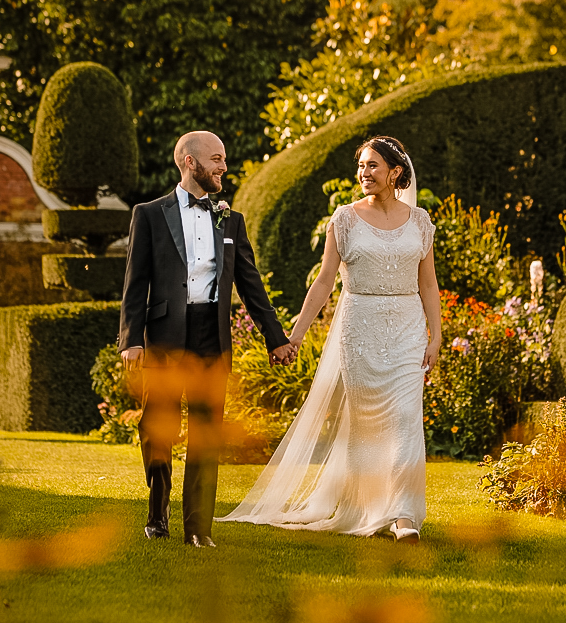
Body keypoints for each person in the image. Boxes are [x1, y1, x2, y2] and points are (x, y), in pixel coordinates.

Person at [218, 135, 442, 543]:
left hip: (408, 329)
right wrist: (295, 336)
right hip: (360, 328)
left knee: (406, 419)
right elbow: (323, 283)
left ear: (395, 173)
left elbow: (428, 284)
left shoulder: (421, 222)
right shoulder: (343, 219)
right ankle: (370, 507)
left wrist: (436, 334)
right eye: (360, 166)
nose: (363, 173)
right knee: (369, 424)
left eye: (372, 165)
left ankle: (404, 514)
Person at [118, 130, 296, 548]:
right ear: (189, 162)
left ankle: (199, 529)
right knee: (156, 429)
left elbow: (251, 284)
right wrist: (131, 338)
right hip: (164, 335)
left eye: (224, 160)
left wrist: (277, 339)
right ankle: (157, 510)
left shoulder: (230, 219)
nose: (223, 167)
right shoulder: (149, 213)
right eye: (216, 159)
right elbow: (135, 280)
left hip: (211, 336)